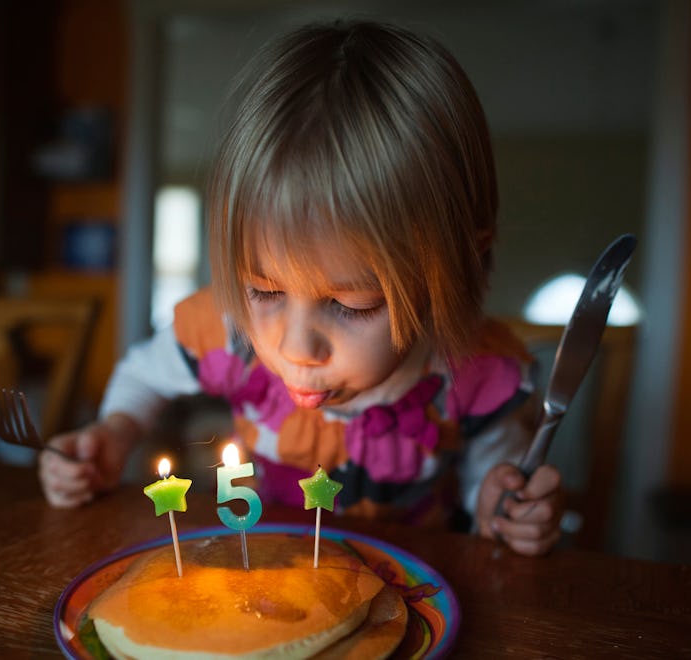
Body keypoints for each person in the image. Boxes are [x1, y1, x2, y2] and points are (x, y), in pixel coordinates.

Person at [39, 20, 564, 556]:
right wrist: (115, 433)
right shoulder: (230, 332)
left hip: (416, 588)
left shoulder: (473, 371)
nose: (295, 347)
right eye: (264, 292)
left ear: (461, 263)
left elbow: (489, 495)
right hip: (269, 573)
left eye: (349, 304)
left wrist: (503, 510)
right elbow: (144, 375)